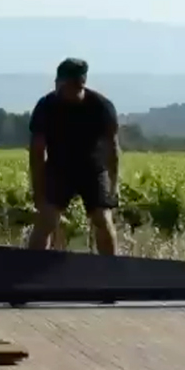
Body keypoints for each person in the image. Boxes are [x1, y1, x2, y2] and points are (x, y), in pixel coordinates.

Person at [27, 58, 119, 256]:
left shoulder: (101, 107)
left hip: (92, 168)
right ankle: (30, 266)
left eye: (66, 85)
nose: (60, 89)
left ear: (80, 84)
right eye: (58, 84)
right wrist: (38, 190)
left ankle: (112, 270)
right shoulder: (46, 106)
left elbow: (112, 148)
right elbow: (36, 152)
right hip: (59, 167)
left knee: (102, 218)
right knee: (47, 219)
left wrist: (113, 185)